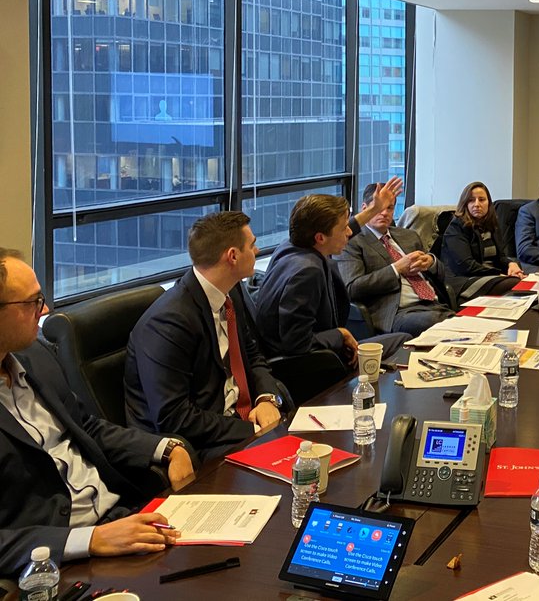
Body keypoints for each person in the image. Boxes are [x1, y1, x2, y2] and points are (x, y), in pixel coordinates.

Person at [0, 250, 194, 576]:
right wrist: (91, 540)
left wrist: (166, 447)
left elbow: (86, 427)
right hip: (58, 561)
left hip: (121, 518)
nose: (45, 310)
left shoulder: (35, 356)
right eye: (32, 302)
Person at [126, 211, 286, 463]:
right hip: (203, 446)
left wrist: (266, 399)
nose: (257, 251)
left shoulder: (230, 293)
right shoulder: (169, 323)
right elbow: (175, 418)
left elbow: (252, 356)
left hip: (239, 425)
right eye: (252, 245)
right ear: (233, 256)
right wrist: (251, 429)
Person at [253, 177, 409, 364]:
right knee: (404, 341)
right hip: (315, 362)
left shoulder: (292, 246)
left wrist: (374, 209)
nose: (349, 233)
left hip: (318, 351)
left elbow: (347, 227)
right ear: (320, 238)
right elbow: (297, 343)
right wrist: (340, 334)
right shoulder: (307, 272)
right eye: (343, 229)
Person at [337, 182, 456, 336]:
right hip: (396, 312)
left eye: (390, 208)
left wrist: (431, 262)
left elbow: (443, 275)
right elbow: (352, 288)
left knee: (457, 322)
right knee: (446, 324)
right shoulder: (351, 242)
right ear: (364, 209)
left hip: (433, 304)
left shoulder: (408, 236)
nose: (384, 213)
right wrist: (396, 269)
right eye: (379, 208)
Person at [440, 182, 525, 286]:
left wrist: (511, 264)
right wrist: (498, 274)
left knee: (522, 279)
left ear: (488, 203)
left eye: (481, 200)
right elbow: (466, 266)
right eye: (471, 200)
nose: (477, 204)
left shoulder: (492, 224)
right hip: (463, 280)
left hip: (490, 276)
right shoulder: (456, 227)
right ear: (465, 204)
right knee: (515, 283)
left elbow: (500, 257)